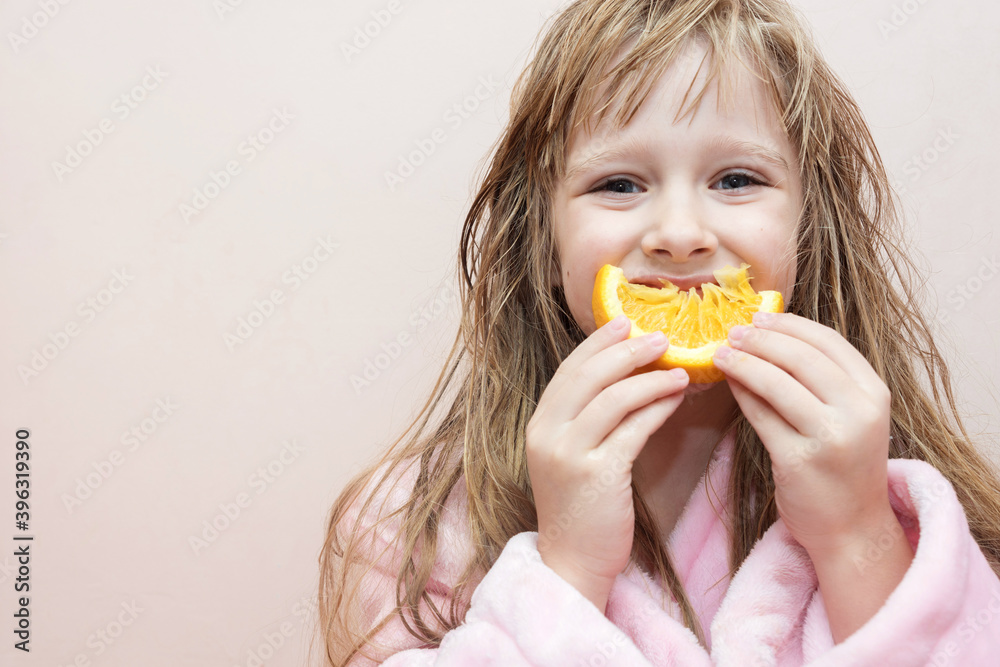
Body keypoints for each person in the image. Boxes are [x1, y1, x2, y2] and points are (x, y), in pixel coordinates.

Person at [316, 0, 1000, 664]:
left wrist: (855, 538)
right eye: (618, 184)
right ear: (544, 242)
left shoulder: (903, 506)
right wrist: (566, 572)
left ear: (808, 231)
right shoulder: (408, 532)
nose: (679, 233)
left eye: (736, 178)